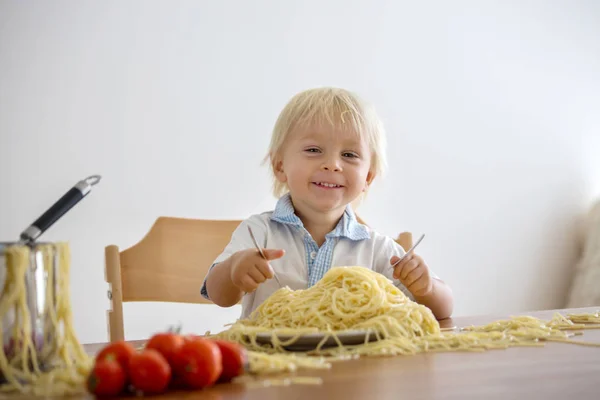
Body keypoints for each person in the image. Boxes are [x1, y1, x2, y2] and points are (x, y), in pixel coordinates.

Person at [201, 87, 453, 320]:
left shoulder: (377, 250)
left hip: (355, 364)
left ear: (367, 177)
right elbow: (218, 295)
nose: (332, 164)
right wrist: (234, 271)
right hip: (272, 364)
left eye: (349, 155)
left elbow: (443, 310)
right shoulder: (258, 233)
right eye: (313, 150)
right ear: (280, 166)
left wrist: (427, 288)